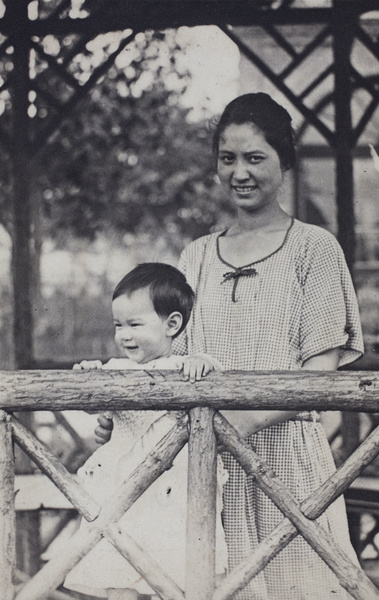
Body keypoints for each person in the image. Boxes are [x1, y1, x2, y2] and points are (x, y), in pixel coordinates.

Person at [96, 93, 364, 599]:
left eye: (255, 158)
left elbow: (321, 373)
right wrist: (125, 414)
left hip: (287, 465)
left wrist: (238, 423)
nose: (240, 172)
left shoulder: (315, 249)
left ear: (284, 162)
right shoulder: (195, 256)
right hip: (204, 467)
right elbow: (168, 363)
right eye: (228, 158)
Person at [64, 263, 228, 600]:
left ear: (172, 325)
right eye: (117, 325)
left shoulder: (185, 366)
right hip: (122, 488)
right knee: (120, 572)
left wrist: (202, 363)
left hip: (171, 492)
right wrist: (89, 375)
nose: (124, 335)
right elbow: (92, 406)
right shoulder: (116, 369)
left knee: (172, 575)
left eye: (134, 325)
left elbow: (214, 379)